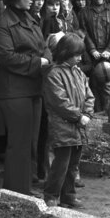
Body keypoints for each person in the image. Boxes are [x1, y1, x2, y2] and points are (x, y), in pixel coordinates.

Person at [0, 0, 51, 195]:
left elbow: (43, 44)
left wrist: (45, 57)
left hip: (33, 88)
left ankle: (23, 189)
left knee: (30, 143)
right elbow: (6, 57)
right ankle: (16, 191)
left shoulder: (30, 18)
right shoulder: (3, 24)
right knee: (18, 144)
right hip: (14, 91)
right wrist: (39, 62)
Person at [42, 33, 93, 208]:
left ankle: (68, 196)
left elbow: (89, 95)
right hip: (62, 127)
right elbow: (59, 102)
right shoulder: (54, 74)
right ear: (65, 53)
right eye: (77, 55)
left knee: (73, 165)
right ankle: (51, 195)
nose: (80, 58)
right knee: (60, 165)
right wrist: (79, 117)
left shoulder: (78, 72)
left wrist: (87, 113)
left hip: (78, 128)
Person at [81, 0, 110, 112]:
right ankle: (96, 112)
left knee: (109, 84)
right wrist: (92, 49)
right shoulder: (85, 11)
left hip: (109, 53)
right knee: (94, 84)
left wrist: (109, 49)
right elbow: (84, 32)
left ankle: (109, 112)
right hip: (92, 54)